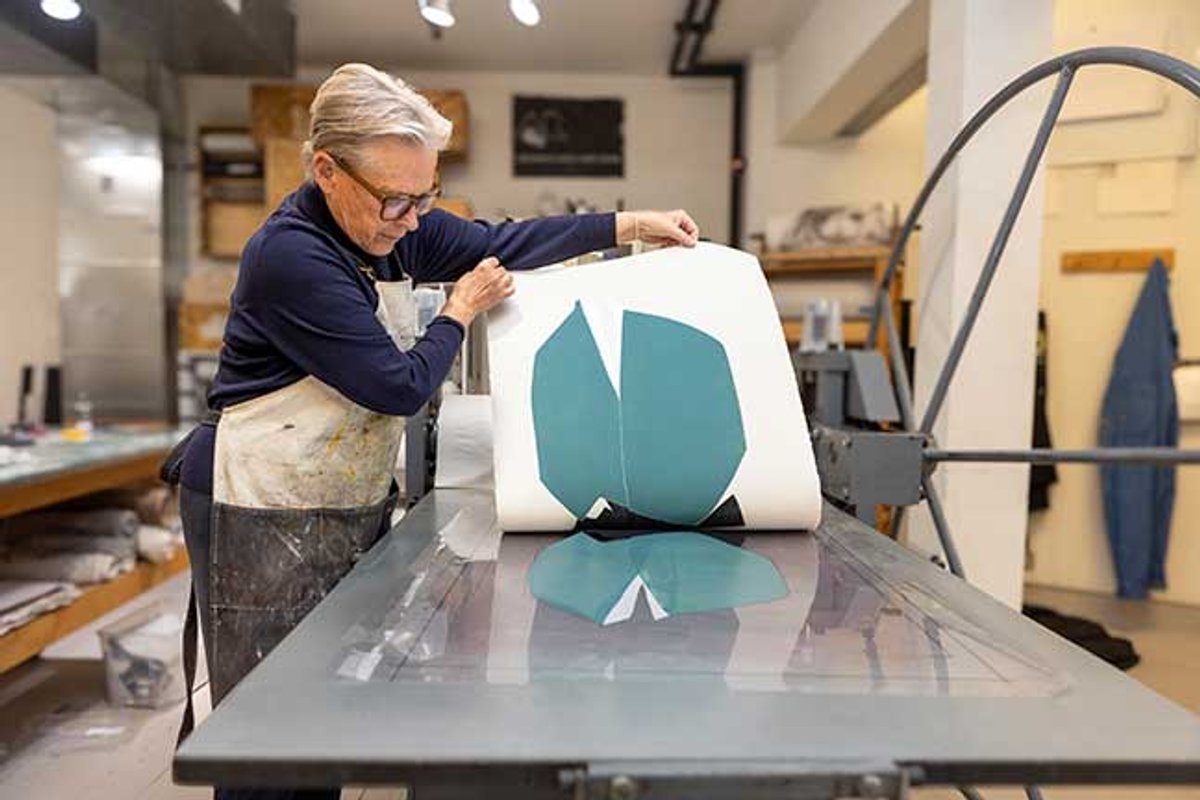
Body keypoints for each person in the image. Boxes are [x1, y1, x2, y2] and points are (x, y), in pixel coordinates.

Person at [161, 63, 698, 799]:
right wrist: (459, 311)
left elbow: (499, 240)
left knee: (325, 710)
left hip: (325, 495)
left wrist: (630, 224)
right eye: (396, 199)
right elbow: (397, 386)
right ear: (328, 171)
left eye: (425, 196)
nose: (412, 218)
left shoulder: (389, 231)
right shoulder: (292, 256)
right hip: (256, 502)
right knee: (273, 732)